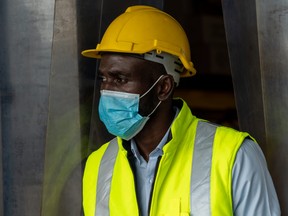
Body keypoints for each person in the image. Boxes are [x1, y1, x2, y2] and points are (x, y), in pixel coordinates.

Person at [81, 5, 280, 216]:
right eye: (103, 79)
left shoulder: (234, 156)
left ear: (163, 87)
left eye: (120, 79)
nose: (106, 90)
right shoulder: (97, 165)